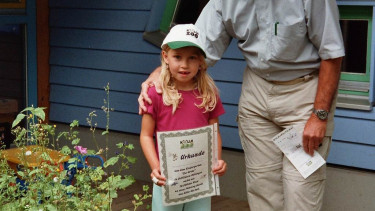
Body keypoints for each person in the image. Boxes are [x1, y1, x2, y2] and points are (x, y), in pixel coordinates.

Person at [139, 0, 345, 210]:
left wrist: (320, 115)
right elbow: (196, 49)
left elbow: (332, 53)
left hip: (304, 92)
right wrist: (155, 79)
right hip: (257, 89)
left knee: (301, 190)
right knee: (262, 187)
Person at [139, 24, 227, 211]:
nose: (184, 65)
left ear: (201, 61)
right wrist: (156, 167)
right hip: (168, 178)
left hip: (199, 178)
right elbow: (146, 135)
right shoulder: (156, 94)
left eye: (192, 58)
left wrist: (217, 160)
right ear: (165, 57)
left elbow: (214, 132)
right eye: (177, 57)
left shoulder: (208, 94)